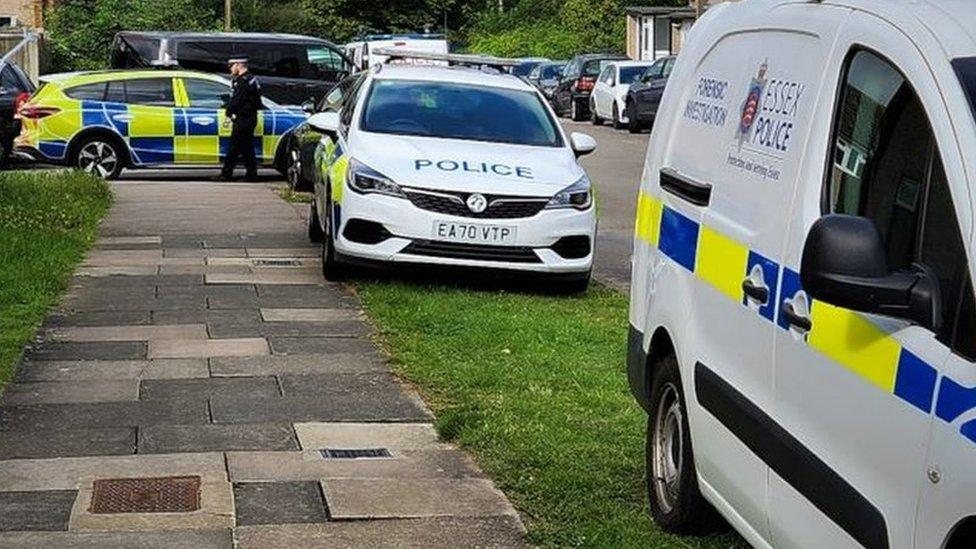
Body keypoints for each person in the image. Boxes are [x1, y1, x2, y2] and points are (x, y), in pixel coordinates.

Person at [220, 57, 263, 181]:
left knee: (238, 147)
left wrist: (229, 110)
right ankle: (246, 174)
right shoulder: (251, 79)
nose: (230, 69)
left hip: (244, 118)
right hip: (248, 118)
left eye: (231, 66)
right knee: (243, 147)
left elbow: (237, 100)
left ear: (238, 65)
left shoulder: (243, 81)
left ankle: (229, 174)